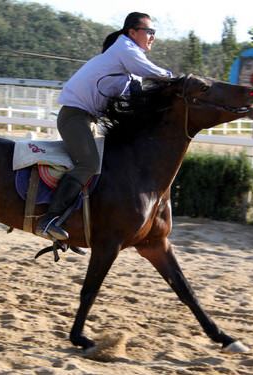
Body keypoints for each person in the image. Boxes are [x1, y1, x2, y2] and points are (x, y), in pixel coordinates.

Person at [35, 12, 173, 241]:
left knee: (104, 168)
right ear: (132, 32)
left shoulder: (129, 59)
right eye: (149, 31)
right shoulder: (126, 50)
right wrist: (178, 80)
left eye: (154, 32)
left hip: (86, 119)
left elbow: (137, 95)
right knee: (88, 163)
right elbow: (153, 73)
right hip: (74, 117)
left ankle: (76, 225)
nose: (152, 37)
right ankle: (50, 219)